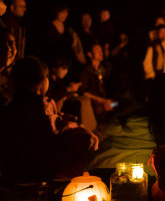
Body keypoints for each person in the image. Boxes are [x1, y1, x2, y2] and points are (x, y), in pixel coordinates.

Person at [0, 56, 99, 184]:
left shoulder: (7, 110)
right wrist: (72, 125)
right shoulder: (43, 106)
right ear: (42, 82)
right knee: (92, 139)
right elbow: (88, 140)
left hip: (11, 177)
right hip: (42, 177)